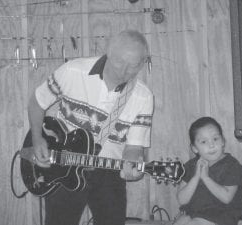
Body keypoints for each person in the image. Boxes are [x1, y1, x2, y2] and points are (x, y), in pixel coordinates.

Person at [27, 29, 154, 225]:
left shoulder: (143, 97)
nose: (123, 72)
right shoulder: (73, 71)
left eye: (133, 66)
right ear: (108, 53)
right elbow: (37, 102)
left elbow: (134, 147)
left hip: (108, 172)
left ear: (143, 63)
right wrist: (37, 138)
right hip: (63, 164)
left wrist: (132, 166)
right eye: (119, 62)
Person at [174, 117, 242, 225]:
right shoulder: (190, 166)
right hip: (193, 214)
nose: (211, 145)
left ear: (223, 141)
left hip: (220, 217)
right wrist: (196, 177)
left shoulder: (231, 165)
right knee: (181, 222)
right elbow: (182, 200)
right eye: (204, 142)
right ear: (194, 148)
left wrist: (206, 178)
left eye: (215, 139)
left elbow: (226, 198)